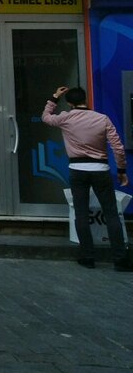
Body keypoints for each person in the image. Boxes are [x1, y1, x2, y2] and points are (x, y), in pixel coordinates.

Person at [42, 86, 132, 271]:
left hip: (77, 170)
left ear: (70, 103)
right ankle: (120, 259)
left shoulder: (65, 118)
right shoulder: (102, 118)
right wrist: (122, 170)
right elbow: (117, 147)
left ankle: (87, 257)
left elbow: (46, 117)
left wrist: (54, 97)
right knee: (111, 213)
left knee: (81, 213)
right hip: (101, 169)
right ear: (86, 100)